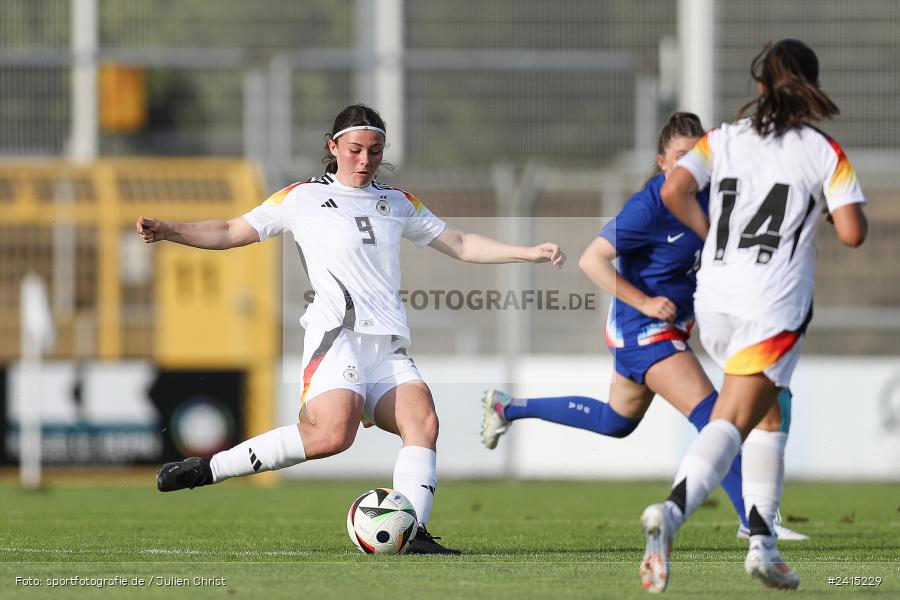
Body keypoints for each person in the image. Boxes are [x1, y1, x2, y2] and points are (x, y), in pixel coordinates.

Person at [137, 104, 566, 555]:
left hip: (388, 345)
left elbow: (459, 243)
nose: (365, 160)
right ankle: (209, 469)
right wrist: (171, 230)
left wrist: (529, 252)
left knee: (423, 421)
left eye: (375, 151)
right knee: (331, 437)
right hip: (336, 337)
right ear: (333, 147)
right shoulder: (300, 198)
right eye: (356, 149)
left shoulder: (398, 203)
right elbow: (229, 230)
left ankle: (412, 532)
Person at [479, 112, 807, 541]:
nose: (693, 164)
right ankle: (755, 522)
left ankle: (508, 407)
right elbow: (591, 260)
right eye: (682, 157)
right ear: (663, 161)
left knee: (617, 421)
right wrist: (646, 301)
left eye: (700, 155)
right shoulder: (649, 205)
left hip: (672, 327)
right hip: (641, 328)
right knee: (713, 416)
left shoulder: (715, 195)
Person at [640, 39, 867, 592]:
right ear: (810, 89)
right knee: (734, 420)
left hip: (715, 297)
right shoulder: (822, 150)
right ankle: (670, 513)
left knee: (767, 416)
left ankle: (763, 546)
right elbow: (853, 233)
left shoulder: (723, 138)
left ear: (761, 86)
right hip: (773, 303)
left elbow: (674, 188)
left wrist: (711, 232)